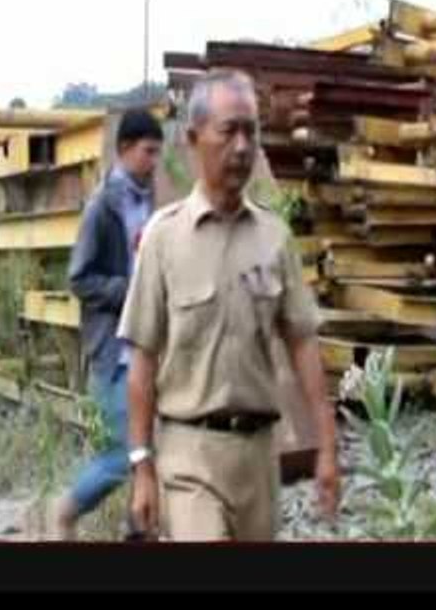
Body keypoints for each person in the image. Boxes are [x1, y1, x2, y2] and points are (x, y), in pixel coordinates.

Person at [118, 70, 341, 541]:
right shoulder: (163, 238)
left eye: (251, 132)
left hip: (260, 458)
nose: (242, 147)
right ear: (195, 139)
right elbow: (142, 360)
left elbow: (303, 345)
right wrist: (142, 466)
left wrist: (326, 446)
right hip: (188, 454)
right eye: (228, 131)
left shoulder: (274, 239)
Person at [51, 108, 164, 539]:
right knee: (125, 453)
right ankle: (65, 510)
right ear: (123, 150)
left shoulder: (150, 200)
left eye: (158, 153)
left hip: (146, 346)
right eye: (148, 152)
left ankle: (140, 532)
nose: (154, 162)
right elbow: (79, 278)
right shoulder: (101, 207)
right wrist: (132, 289)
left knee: (154, 450)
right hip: (113, 352)